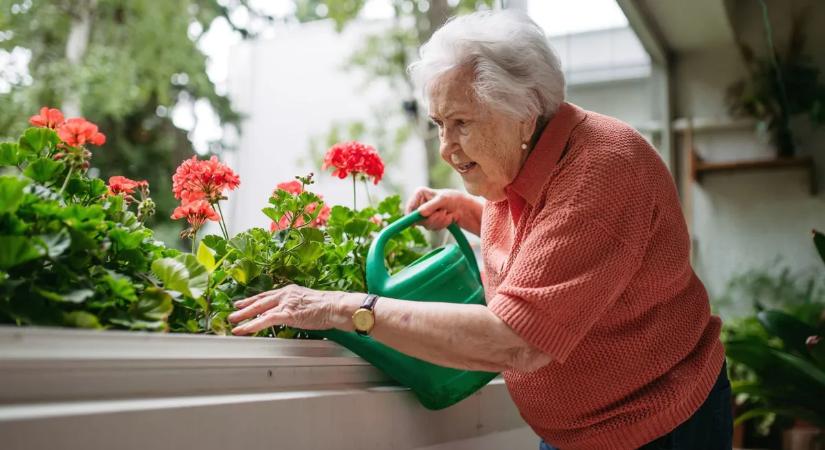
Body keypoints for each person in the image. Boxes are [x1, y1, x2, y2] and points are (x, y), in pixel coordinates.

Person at [229, 10, 732, 450]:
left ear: (524, 115)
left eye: (462, 123)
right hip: (582, 429)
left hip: (652, 426)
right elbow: (546, 229)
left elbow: (516, 340)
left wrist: (344, 307)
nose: (446, 148)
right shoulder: (526, 161)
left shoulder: (601, 172)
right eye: (438, 124)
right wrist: (470, 209)